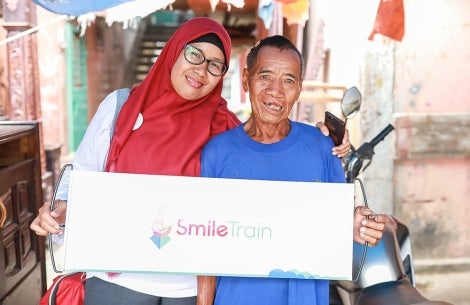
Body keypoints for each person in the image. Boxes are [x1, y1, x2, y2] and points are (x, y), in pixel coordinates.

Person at [30, 18, 350, 305]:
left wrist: (323, 143)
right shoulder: (120, 108)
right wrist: (62, 208)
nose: (201, 70)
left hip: (188, 287)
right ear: (174, 51)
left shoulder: (227, 130)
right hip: (116, 276)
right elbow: (82, 178)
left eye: (215, 65)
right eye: (194, 55)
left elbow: (269, 182)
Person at [200, 35, 389, 305]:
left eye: (288, 80)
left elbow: (339, 222)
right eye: (265, 76)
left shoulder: (322, 147)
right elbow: (204, 248)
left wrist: (355, 226)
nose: (275, 91)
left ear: (299, 88)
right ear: (245, 80)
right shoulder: (217, 153)